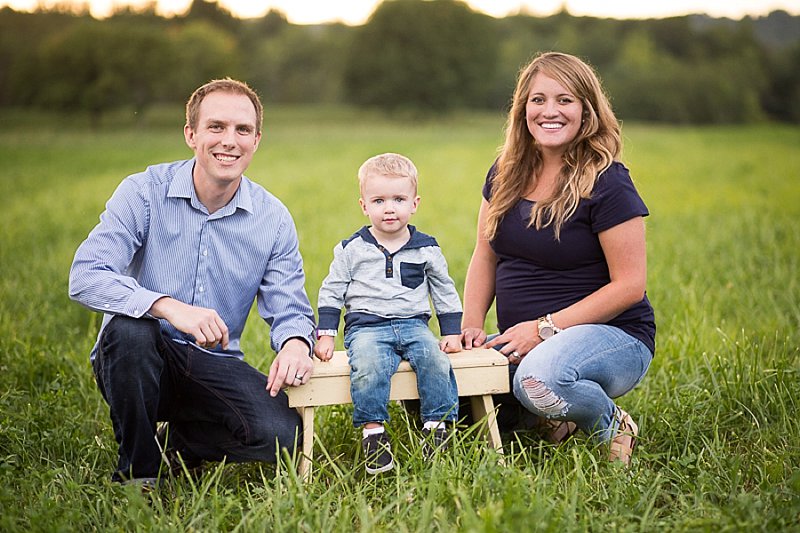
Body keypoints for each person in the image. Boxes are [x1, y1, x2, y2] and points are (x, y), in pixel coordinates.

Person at [69, 78, 317, 488]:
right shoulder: (144, 192)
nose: (229, 141)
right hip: (136, 358)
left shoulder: (273, 219)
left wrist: (294, 342)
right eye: (216, 127)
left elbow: (289, 307)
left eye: (242, 130)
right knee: (131, 329)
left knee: (284, 434)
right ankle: (138, 474)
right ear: (191, 134)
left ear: (257, 140)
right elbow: (85, 275)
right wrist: (167, 306)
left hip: (213, 364)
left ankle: (177, 444)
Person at [460, 52, 655, 466]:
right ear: (522, 108)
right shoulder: (504, 172)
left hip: (614, 336)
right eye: (538, 100)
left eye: (565, 100)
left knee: (537, 380)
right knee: (456, 402)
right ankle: (551, 418)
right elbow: (485, 254)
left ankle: (610, 423)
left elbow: (629, 285)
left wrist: (544, 330)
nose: (550, 111)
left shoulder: (608, 181)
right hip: (523, 339)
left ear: (587, 110)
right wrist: (471, 330)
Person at [314, 153, 462, 474]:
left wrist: (451, 331)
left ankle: (437, 428)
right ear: (364, 206)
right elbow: (332, 290)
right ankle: (374, 434)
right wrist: (325, 333)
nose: (389, 208)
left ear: (415, 203)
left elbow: (444, 289)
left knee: (435, 361)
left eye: (398, 199)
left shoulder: (426, 248)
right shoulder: (352, 249)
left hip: (414, 325)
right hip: (367, 327)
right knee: (368, 366)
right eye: (379, 200)